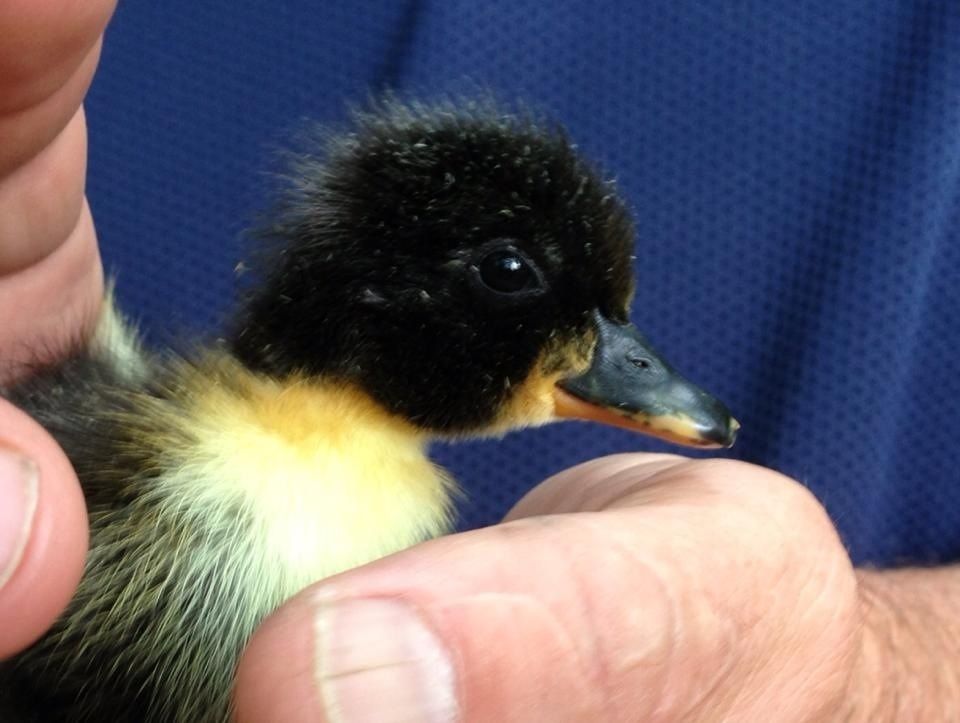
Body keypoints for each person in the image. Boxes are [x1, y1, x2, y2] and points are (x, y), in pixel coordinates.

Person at [2, 2, 958, 721]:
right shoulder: (140, 483)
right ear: (368, 285)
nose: (625, 363)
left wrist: (872, 679)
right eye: (509, 276)